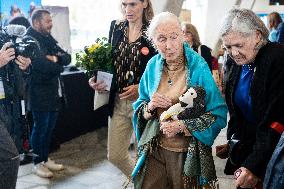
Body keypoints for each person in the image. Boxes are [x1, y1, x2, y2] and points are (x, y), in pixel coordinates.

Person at [132, 12, 228, 189]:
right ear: (153, 41)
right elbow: (140, 106)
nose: (168, 45)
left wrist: (184, 126)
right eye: (161, 39)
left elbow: (219, 113)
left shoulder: (198, 66)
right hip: (154, 149)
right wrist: (150, 107)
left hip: (186, 153)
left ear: (183, 36)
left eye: (174, 37)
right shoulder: (152, 65)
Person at [88, 0, 156, 177]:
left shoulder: (154, 30)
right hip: (118, 101)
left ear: (145, 4)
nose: (128, 10)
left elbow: (160, 69)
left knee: (148, 156)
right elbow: (108, 60)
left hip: (144, 104)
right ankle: (140, 182)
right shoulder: (116, 27)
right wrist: (95, 78)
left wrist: (140, 87)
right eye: (124, 4)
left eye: (133, 4)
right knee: (116, 156)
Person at [220, 8, 284, 188]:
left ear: (257, 35)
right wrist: (233, 141)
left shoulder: (278, 58)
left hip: (273, 151)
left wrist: (254, 166)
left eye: (238, 45)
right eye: (228, 47)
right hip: (248, 149)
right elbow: (236, 111)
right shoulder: (238, 62)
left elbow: (275, 120)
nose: (233, 53)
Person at [26, 9, 71, 178]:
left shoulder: (47, 37)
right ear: (37, 23)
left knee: (49, 129)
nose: (51, 24)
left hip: (52, 92)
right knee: (40, 128)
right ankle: (37, 163)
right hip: (38, 93)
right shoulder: (29, 39)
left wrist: (55, 58)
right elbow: (41, 66)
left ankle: (45, 158)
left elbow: (67, 57)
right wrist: (57, 64)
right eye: (48, 21)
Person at [0, 39, 31, 187]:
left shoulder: (3, 37)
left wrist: (24, 67)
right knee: (10, 158)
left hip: (6, 107)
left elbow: (12, 75)